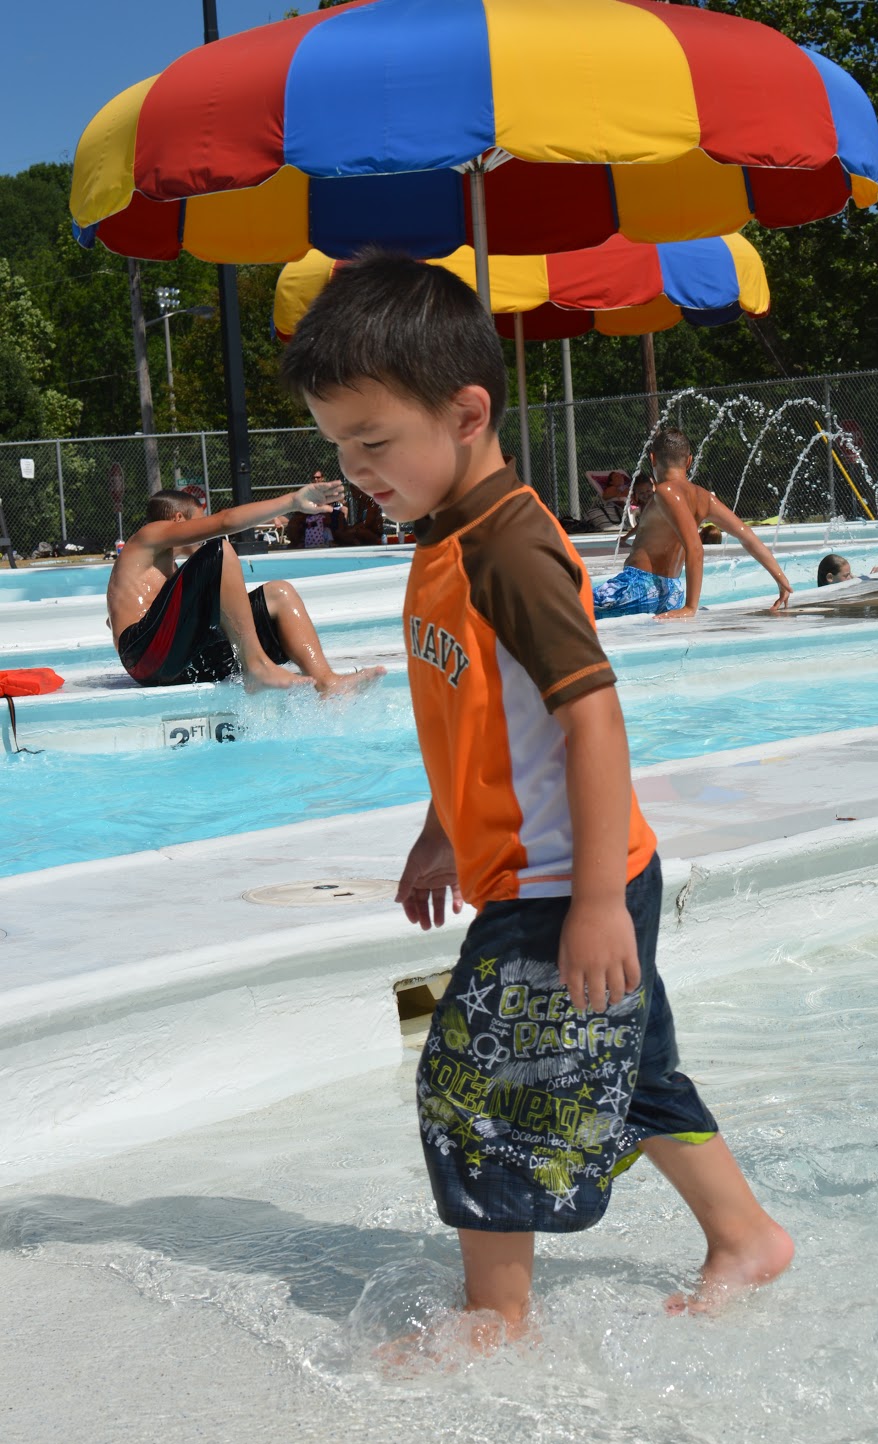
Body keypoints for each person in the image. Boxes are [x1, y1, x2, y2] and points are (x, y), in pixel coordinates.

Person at [281, 250, 793, 1345]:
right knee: (636, 1070)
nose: (355, 468)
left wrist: (599, 900)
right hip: (557, 873)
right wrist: (437, 830)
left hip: (568, 884)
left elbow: (591, 716)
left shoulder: (509, 544)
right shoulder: (443, 538)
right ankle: (745, 1236)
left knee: (478, 1085)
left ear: (465, 412)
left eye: (374, 442)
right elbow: (473, 718)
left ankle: (494, 1316)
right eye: (339, 446)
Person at [107, 485, 385, 697]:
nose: (202, 528)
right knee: (220, 550)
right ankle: (256, 667)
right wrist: (290, 502)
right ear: (180, 520)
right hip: (145, 659)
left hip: (173, 662)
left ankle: (327, 682)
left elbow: (115, 618)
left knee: (279, 593)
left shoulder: (168, 572)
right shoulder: (147, 537)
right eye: (200, 520)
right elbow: (226, 521)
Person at [593, 427, 793, 620]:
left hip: (640, 586)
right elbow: (746, 535)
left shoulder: (665, 492)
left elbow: (695, 547)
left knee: (568, 608)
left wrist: (690, 607)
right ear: (689, 461)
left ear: (652, 458)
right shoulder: (703, 497)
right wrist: (780, 578)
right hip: (671, 593)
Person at [285, 468, 348, 548]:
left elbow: (341, 501)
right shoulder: (307, 490)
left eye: (318, 477)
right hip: (309, 514)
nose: (316, 479)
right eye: (313, 478)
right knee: (294, 521)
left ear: (322, 478)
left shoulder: (327, 489)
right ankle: (296, 542)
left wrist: (337, 499)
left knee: (342, 511)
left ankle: (341, 539)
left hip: (325, 515)